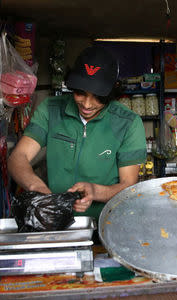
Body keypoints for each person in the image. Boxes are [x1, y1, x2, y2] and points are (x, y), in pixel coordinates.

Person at [8, 46, 147, 220]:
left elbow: (128, 185)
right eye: (80, 93)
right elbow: (17, 157)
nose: (87, 104)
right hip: (55, 220)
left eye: (98, 97)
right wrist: (38, 188)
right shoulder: (51, 110)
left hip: (106, 223)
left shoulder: (128, 123)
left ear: (112, 93)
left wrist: (95, 191)